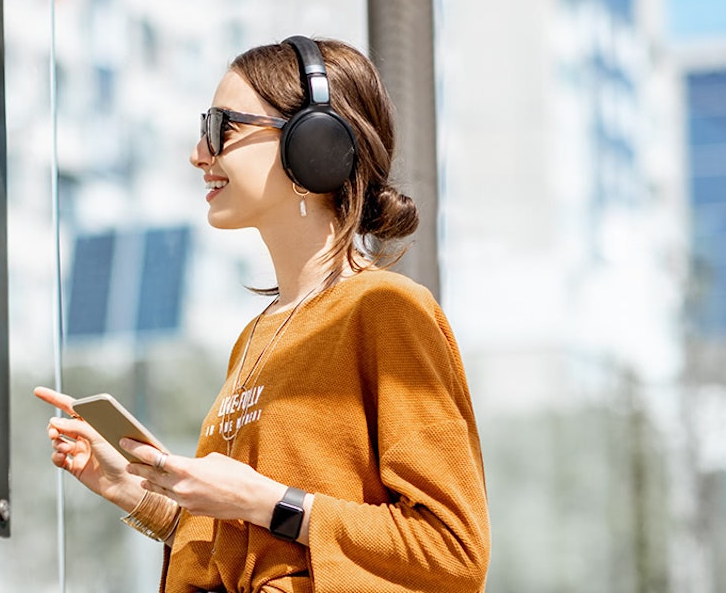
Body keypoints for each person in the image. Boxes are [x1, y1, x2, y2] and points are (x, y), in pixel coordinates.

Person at [35, 36, 490, 593]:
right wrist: (138, 489)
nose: (199, 153)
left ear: (312, 143)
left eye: (220, 128)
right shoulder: (256, 336)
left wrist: (265, 500)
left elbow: (453, 550)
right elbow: (248, 547)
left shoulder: (386, 311)